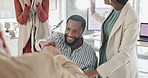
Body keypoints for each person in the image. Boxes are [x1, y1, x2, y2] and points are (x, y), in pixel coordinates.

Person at [0, 24, 88, 78]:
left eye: (75, 31)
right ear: (2, 39)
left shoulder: (89, 53)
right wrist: (56, 54)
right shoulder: (41, 63)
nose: (70, 33)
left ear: (82, 32)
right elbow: (38, 43)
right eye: (68, 29)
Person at [84, 0, 140, 78]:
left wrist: (96, 72)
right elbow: (111, 24)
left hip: (118, 67)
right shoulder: (115, 9)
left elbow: (124, 54)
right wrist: (93, 12)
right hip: (105, 60)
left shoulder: (132, 18)